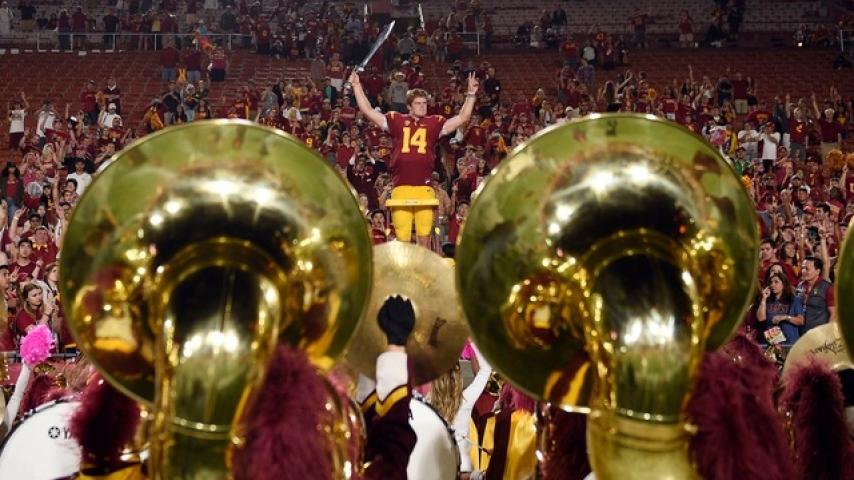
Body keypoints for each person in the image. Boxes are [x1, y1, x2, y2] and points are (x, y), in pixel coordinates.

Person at [349, 70, 479, 247]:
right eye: (418, 103)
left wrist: (470, 94)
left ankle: (422, 265)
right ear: (409, 106)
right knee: (402, 240)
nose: (422, 106)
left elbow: (463, 117)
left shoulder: (434, 123)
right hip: (401, 186)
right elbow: (368, 110)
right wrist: (357, 86)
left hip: (424, 187)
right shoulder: (396, 120)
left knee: (424, 239)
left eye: (424, 103)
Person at [756, 272, 803, 346]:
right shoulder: (768, 301)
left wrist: (784, 317)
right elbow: (761, 318)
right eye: (771, 282)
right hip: (772, 343)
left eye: (776, 282)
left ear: (784, 284)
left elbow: (801, 321)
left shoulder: (794, 300)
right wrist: (764, 298)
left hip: (789, 344)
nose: (772, 285)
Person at [797, 255, 835, 333]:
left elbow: (834, 314)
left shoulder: (827, 287)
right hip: (801, 333)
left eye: (807, 269)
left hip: (819, 334)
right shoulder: (800, 286)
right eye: (802, 268)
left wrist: (827, 333)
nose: (803, 271)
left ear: (817, 271)